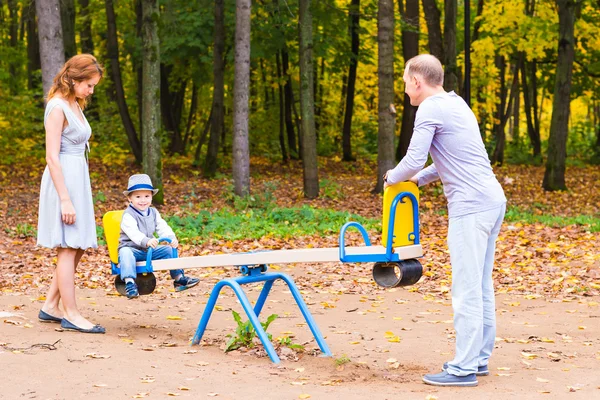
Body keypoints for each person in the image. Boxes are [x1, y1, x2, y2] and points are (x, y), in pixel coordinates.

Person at [384, 54, 506, 387]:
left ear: (417, 82)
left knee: (466, 288)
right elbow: (444, 161)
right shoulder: (456, 105)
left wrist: (391, 178)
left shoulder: (430, 109)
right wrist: (417, 181)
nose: (405, 88)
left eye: (406, 81)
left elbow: (412, 159)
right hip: (492, 200)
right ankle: (478, 359)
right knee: (480, 285)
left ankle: (463, 368)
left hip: (471, 206)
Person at [37, 54, 106, 334]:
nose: (91, 91)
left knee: (77, 245)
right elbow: (52, 157)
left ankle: (51, 305)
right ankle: (71, 313)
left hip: (78, 178)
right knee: (67, 246)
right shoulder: (56, 108)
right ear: (74, 79)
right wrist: (65, 198)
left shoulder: (75, 104)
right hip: (62, 179)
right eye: (88, 85)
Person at [118, 174, 200, 299]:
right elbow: (133, 233)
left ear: (151, 197)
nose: (143, 200)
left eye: (147, 196)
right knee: (125, 252)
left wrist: (170, 238)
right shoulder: (128, 215)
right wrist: (147, 241)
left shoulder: (153, 212)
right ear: (130, 198)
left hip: (148, 250)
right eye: (138, 196)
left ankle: (179, 279)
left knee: (168, 250)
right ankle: (129, 283)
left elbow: (162, 226)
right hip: (132, 249)